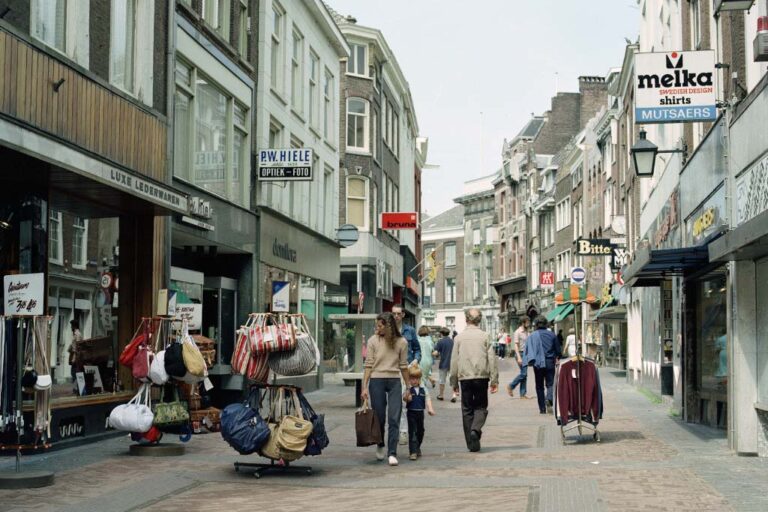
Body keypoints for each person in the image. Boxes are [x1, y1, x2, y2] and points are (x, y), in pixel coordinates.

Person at [361, 312, 410, 466]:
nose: (377, 327)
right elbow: (368, 365)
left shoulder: (402, 342)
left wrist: (408, 387)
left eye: (380, 325)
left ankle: (392, 452)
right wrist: (364, 387)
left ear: (389, 326)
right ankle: (380, 443)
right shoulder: (373, 341)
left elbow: (403, 366)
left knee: (394, 417)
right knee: (380, 416)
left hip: (395, 380)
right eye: (377, 324)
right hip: (376, 380)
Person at [450, 308, 499, 452]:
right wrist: (494, 380)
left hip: (465, 378)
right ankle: (476, 430)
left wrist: (454, 382)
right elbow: (492, 359)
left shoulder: (458, 338)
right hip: (481, 376)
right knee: (481, 407)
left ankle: (471, 444)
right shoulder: (485, 336)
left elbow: (454, 361)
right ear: (480, 320)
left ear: (466, 319)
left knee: (466, 410)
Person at [392, 305, 421, 445]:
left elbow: (417, 349)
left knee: (404, 402)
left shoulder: (410, 330)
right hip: (391, 371)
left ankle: (403, 432)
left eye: (398, 313)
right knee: (392, 404)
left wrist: (415, 360)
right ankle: (394, 431)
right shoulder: (387, 331)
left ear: (403, 315)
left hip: (406, 370)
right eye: (393, 314)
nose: (396, 316)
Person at [523, 315, 562, 415]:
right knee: (550, 383)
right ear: (546, 324)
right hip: (550, 362)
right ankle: (549, 399)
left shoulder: (532, 335)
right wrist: (557, 357)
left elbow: (527, 349)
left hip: (538, 363)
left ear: (536, 325)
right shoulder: (552, 335)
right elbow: (558, 351)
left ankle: (542, 409)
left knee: (539, 386)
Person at [405, 365, 435, 460]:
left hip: (420, 413)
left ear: (420, 379)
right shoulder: (408, 389)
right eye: (412, 379)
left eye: (416, 379)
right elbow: (404, 397)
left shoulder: (423, 389)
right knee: (412, 432)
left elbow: (427, 398)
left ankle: (417, 446)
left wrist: (430, 408)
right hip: (411, 413)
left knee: (420, 431)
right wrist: (407, 398)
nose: (414, 381)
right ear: (409, 379)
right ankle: (412, 452)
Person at [507, 318, 531, 399]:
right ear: (523, 323)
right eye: (527, 322)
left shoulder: (527, 332)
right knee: (524, 374)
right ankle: (511, 386)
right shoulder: (517, 332)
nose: (529, 324)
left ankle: (522, 394)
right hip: (520, 354)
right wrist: (519, 357)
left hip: (526, 354)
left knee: (524, 374)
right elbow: (516, 346)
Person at [433, 327, 457, 402]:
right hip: (452, 363)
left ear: (441, 333)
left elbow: (436, 353)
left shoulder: (440, 342)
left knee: (442, 380)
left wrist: (433, 353)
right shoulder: (452, 341)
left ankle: (441, 395)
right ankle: (454, 395)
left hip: (443, 363)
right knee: (453, 380)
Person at [69, 320, 83, 393]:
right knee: (74, 372)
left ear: (74, 326)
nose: (71, 327)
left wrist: (74, 358)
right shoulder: (75, 334)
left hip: (76, 356)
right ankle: (76, 387)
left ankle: (77, 388)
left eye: (71, 326)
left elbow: (78, 345)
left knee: (74, 372)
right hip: (75, 355)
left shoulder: (77, 334)